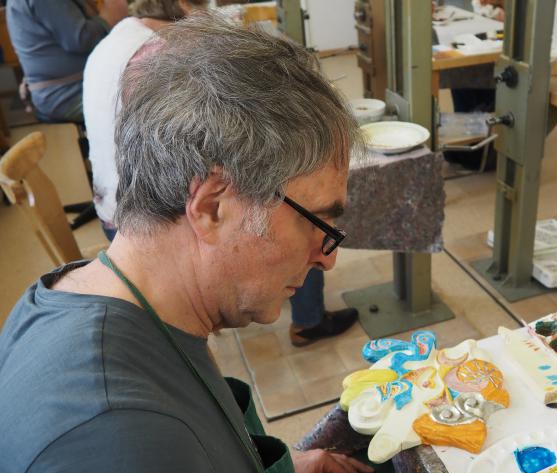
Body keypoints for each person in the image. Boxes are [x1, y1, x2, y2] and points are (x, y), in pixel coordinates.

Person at [0, 13, 539, 473]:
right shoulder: (128, 462)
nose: (328, 259)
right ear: (211, 206)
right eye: (318, 223)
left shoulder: (83, 293)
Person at [83, 0, 357, 346]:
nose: (329, 261)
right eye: (206, 5)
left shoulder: (117, 40)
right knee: (290, 194)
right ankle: (309, 320)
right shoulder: (161, 57)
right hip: (144, 214)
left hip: (121, 210)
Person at [83, 0, 209, 241]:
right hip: (138, 228)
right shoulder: (157, 54)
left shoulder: (119, 38)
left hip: (111, 209)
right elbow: (192, 144)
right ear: (184, 5)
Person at [6, 0, 128, 122]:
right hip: (66, 93)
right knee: (135, 102)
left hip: (61, 90)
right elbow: (81, 38)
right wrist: (108, 18)